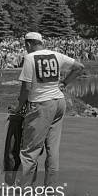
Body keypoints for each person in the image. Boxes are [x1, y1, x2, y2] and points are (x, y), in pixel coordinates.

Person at [14, 32, 84, 186]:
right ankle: (51, 188)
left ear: (28, 44)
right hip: (59, 101)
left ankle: (24, 188)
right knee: (53, 148)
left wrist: (19, 106)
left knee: (30, 150)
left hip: (41, 104)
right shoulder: (56, 55)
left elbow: (26, 87)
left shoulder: (30, 58)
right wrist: (64, 83)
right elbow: (79, 67)